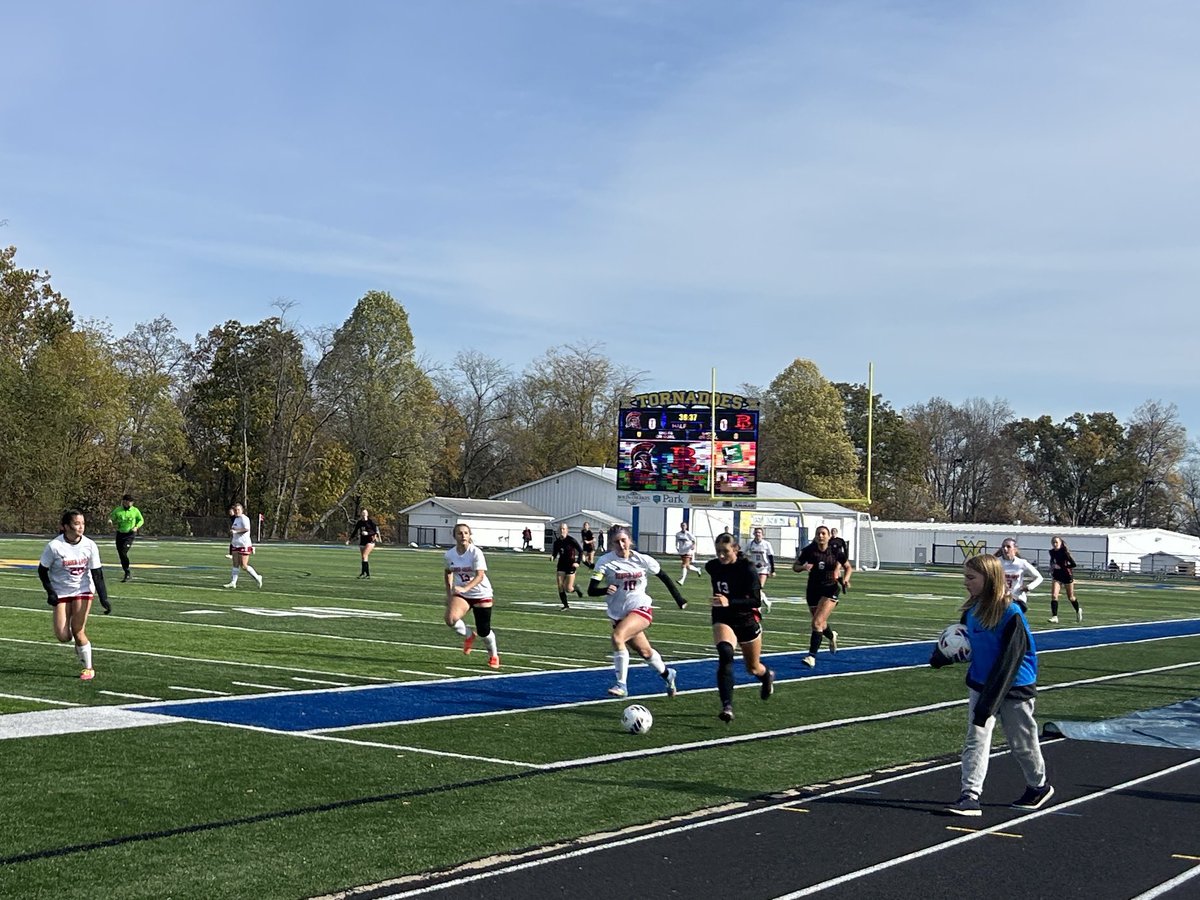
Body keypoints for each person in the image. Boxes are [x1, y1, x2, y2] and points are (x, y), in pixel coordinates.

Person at [932, 553, 1054, 817]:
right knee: (975, 738)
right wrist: (941, 656)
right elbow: (967, 643)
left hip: (1012, 686)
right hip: (981, 683)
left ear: (989, 579)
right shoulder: (971, 611)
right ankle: (970, 795)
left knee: (1022, 742)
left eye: (970, 577)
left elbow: (1010, 660)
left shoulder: (1011, 613)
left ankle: (1038, 786)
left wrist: (989, 702)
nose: (966, 582)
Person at [589, 525, 687, 698]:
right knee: (645, 652)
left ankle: (621, 685)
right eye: (616, 542)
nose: (621, 544)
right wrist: (604, 590)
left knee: (617, 637)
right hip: (619, 614)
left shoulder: (643, 560)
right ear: (611, 544)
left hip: (640, 608)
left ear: (630, 541)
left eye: (623, 540)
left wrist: (679, 599)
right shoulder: (605, 561)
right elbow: (591, 590)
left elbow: (664, 577)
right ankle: (667, 674)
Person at [705, 532, 775, 722]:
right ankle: (727, 706)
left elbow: (755, 600)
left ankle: (766, 675)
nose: (720, 556)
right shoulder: (712, 567)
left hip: (746, 619)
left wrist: (730, 601)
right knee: (725, 653)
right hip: (723, 617)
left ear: (735, 549)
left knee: (752, 668)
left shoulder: (747, 568)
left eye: (725, 551)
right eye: (718, 551)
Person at [39, 509, 111, 681]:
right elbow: (42, 570)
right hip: (61, 591)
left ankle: (89, 668)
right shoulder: (54, 546)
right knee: (63, 636)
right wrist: (50, 592)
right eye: (76, 524)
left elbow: (97, 573)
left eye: (83, 523)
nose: (80, 527)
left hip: (83, 590)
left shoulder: (89, 545)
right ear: (65, 526)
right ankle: (80, 648)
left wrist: (104, 598)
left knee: (78, 630)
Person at [793, 525, 851, 667]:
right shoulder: (809, 551)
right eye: (818, 533)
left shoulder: (835, 551)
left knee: (816, 623)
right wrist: (803, 567)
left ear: (828, 536)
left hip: (830, 589)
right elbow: (795, 566)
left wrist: (846, 579)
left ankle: (811, 657)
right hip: (813, 590)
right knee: (821, 623)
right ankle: (832, 636)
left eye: (823, 533)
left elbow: (848, 567)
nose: (821, 536)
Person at [444, 523, 500, 669]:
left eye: (466, 533)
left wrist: (465, 588)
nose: (463, 536)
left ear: (470, 535)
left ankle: (493, 655)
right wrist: (449, 593)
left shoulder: (475, 552)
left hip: (481, 593)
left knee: (484, 630)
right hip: (463, 594)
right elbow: (448, 572)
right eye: (459, 533)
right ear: (454, 536)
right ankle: (469, 635)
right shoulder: (449, 554)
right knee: (450, 619)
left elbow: (480, 576)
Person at [997, 538, 1043, 614]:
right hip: (1001, 598)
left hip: (1017, 598)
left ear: (1015, 549)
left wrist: (1029, 587)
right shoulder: (997, 562)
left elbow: (1039, 578)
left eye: (1008, 547)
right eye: (1003, 546)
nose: (1005, 549)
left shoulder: (1021, 563)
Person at [223, 503, 263, 588]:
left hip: (244, 545)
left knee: (244, 566)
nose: (237, 511)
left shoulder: (244, 518)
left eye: (238, 510)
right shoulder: (236, 519)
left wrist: (236, 531)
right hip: (235, 544)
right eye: (235, 510)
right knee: (235, 564)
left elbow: (246, 529)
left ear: (242, 510)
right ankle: (233, 582)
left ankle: (257, 577)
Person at [109, 493, 144, 583]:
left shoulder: (135, 511)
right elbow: (112, 517)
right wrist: (110, 521)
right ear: (123, 502)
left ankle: (127, 572)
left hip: (130, 534)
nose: (129, 504)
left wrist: (136, 526)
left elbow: (141, 520)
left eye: (131, 502)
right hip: (120, 534)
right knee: (121, 553)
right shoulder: (118, 510)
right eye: (127, 502)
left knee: (124, 552)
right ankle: (126, 571)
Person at [551, 523, 585, 609]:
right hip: (561, 565)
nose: (562, 531)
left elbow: (580, 551)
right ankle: (565, 605)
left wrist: (578, 562)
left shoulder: (571, 540)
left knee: (568, 589)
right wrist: (553, 557)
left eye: (564, 529)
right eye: (561, 529)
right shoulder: (557, 542)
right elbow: (555, 553)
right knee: (560, 585)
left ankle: (576, 588)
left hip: (570, 565)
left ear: (567, 530)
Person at [1048, 536, 1082, 623]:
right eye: (1053, 542)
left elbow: (1073, 564)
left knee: (1071, 597)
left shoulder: (1064, 552)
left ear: (1060, 543)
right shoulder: (1052, 552)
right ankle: (1055, 616)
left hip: (1067, 575)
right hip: (1057, 575)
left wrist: (1063, 567)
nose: (1055, 544)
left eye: (1056, 542)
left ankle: (1078, 610)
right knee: (1054, 595)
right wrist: (1052, 567)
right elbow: (1052, 561)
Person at [745, 526, 776, 613]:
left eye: (759, 533)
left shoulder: (766, 544)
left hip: (763, 568)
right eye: (756, 532)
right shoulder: (750, 544)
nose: (757, 534)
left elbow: (770, 557)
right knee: (753, 588)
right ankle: (766, 602)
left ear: (762, 535)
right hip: (753, 569)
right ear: (753, 534)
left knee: (758, 588)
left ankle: (757, 606)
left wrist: (772, 570)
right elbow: (742, 553)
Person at [347, 508, 381, 578]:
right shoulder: (360, 522)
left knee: (364, 556)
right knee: (364, 558)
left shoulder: (371, 522)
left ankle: (366, 574)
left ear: (367, 514)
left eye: (365, 513)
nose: (364, 515)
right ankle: (364, 573)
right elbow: (355, 531)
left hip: (370, 541)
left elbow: (375, 531)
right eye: (363, 513)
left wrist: (368, 533)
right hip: (363, 541)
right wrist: (349, 539)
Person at [829, 527, 851, 593]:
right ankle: (843, 584)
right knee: (837, 573)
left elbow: (845, 549)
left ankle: (845, 581)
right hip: (832, 557)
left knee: (839, 568)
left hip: (840, 556)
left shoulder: (840, 540)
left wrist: (846, 557)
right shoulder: (829, 540)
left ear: (836, 532)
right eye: (832, 532)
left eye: (834, 532)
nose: (833, 533)